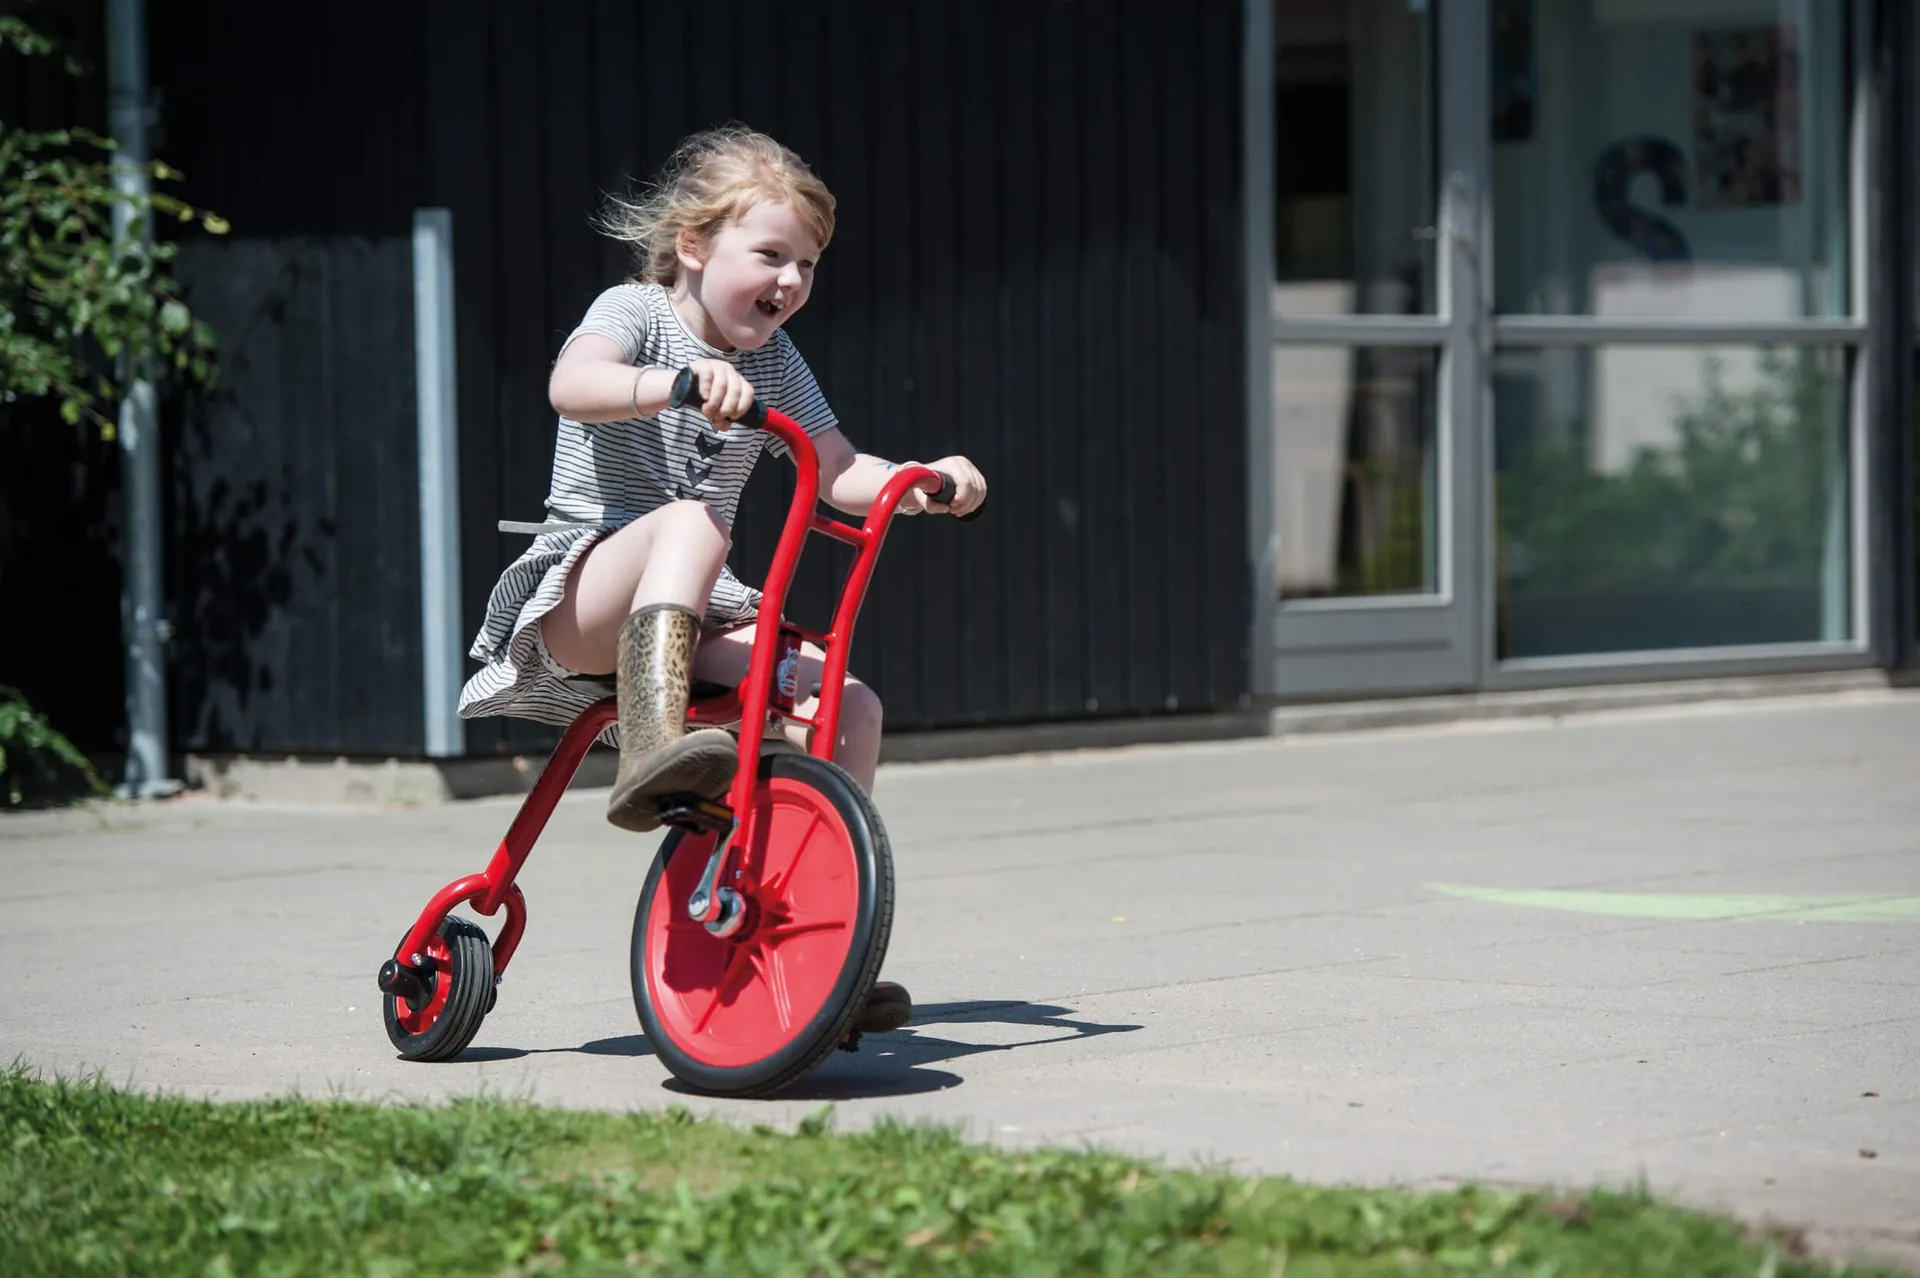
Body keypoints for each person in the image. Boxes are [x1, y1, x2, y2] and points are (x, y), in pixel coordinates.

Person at [456, 125, 987, 1037]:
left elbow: (837, 466)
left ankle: (818, 941)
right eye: (771, 255)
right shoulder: (635, 312)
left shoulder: (775, 359)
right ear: (695, 246)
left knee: (850, 706)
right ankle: (652, 747)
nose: (791, 281)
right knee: (692, 519)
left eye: (807, 265)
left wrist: (922, 480)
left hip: (692, 611)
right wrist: (674, 384)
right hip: (583, 597)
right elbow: (572, 383)